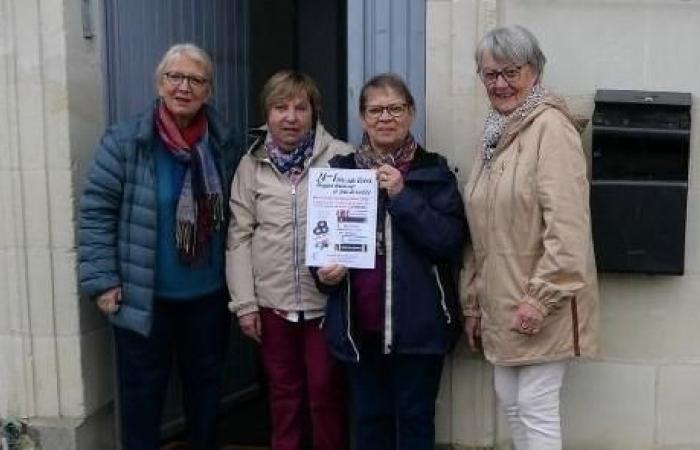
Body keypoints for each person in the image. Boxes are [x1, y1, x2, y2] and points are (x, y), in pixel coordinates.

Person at [79, 43, 241, 449]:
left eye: (196, 79)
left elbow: (243, 217)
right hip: (141, 298)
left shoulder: (225, 143)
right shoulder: (126, 141)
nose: (184, 87)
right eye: (175, 77)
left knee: (205, 395)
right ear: (160, 83)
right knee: (142, 399)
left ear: (209, 90)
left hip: (208, 298)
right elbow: (97, 211)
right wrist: (102, 281)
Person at [461, 25, 600, 450]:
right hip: (501, 300)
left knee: (535, 406)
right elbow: (480, 228)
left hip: (544, 301)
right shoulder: (494, 135)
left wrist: (540, 298)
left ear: (535, 71)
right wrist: (474, 302)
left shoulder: (551, 129)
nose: (500, 84)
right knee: (511, 401)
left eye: (511, 72)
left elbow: (568, 229)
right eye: (490, 74)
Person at [317, 73, 467, 450]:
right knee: (369, 423)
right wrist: (324, 274)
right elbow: (321, 244)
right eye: (376, 110)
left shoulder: (434, 170)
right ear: (363, 118)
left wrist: (402, 195)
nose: (386, 117)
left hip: (419, 329)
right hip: (360, 327)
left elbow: (448, 242)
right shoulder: (341, 171)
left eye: (395, 108)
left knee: (416, 421)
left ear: (411, 113)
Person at [226, 70, 351, 450]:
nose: (291, 117)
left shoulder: (342, 156)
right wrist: (245, 304)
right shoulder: (251, 165)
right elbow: (239, 236)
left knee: (324, 393)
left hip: (325, 304)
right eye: (281, 107)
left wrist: (344, 264)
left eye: (301, 107)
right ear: (268, 114)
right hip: (272, 304)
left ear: (314, 113)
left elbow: (359, 228)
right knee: (283, 394)